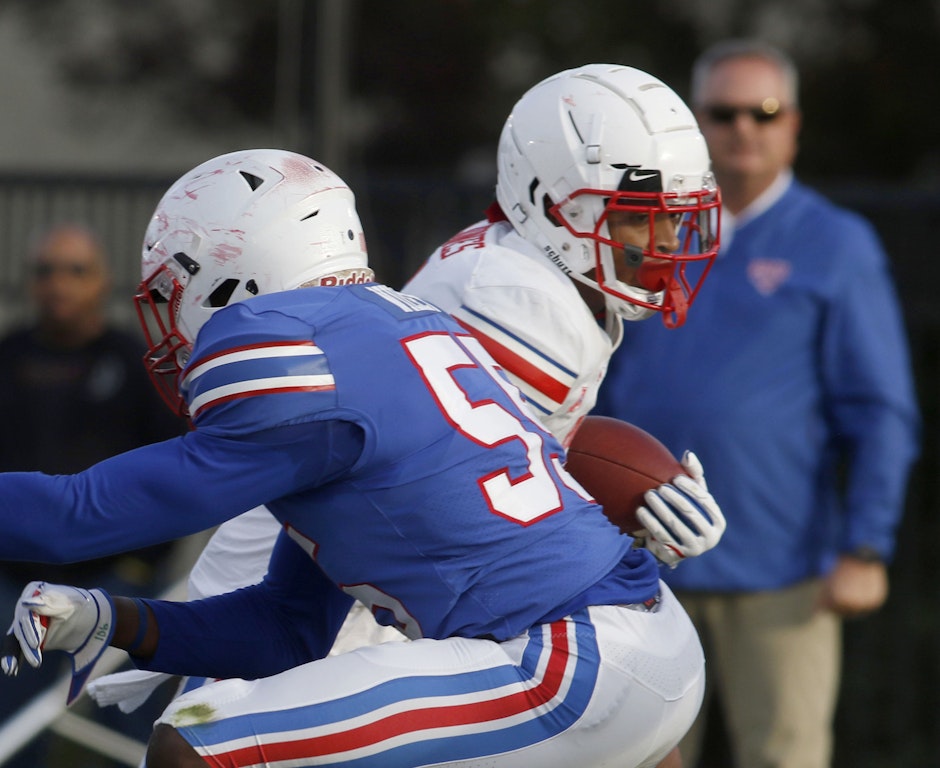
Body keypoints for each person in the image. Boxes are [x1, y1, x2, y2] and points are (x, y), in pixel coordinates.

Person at [87, 63, 730, 767]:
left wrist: (637, 504)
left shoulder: (525, 273)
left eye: (673, 217)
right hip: (346, 592)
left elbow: (502, 475)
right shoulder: (522, 304)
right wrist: (623, 508)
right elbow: (460, 490)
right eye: (640, 217)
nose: (665, 245)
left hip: (376, 574)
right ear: (552, 205)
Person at [593, 40, 921, 768]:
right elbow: (597, 384)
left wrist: (866, 544)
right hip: (642, 560)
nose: (745, 127)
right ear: (696, 125)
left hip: (781, 569)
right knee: (636, 756)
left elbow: (880, 410)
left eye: (764, 111)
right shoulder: (646, 236)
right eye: (723, 111)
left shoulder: (836, 243)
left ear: (793, 123)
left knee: (786, 756)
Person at [0, 223, 185, 767]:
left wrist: (141, 565)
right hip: (13, 583)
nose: (59, 283)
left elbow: (177, 473)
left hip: (114, 583)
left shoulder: (136, 364)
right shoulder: (6, 358)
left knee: (128, 728)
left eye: (75, 270)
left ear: (102, 282)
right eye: (45, 271)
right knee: (13, 728)